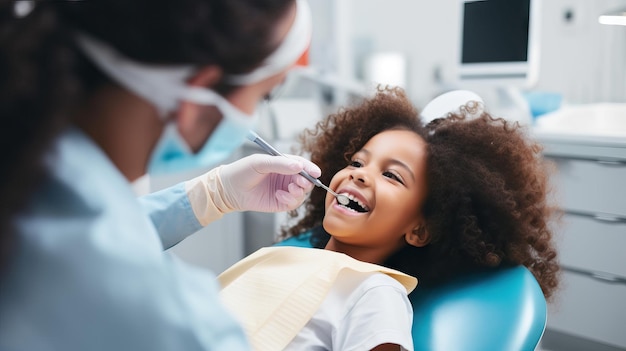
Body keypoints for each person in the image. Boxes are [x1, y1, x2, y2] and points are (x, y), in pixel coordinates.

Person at [0, 0, 321, 350]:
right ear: (199, 94)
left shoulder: (28, 153)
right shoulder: (181, 326)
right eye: (265, 95)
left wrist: (214, 194)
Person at [218, 86, 560, 351]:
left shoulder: (374, 294)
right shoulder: (287, 258)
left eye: (392, 176)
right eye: (356, 163)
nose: (360, 176)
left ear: (419, 229)